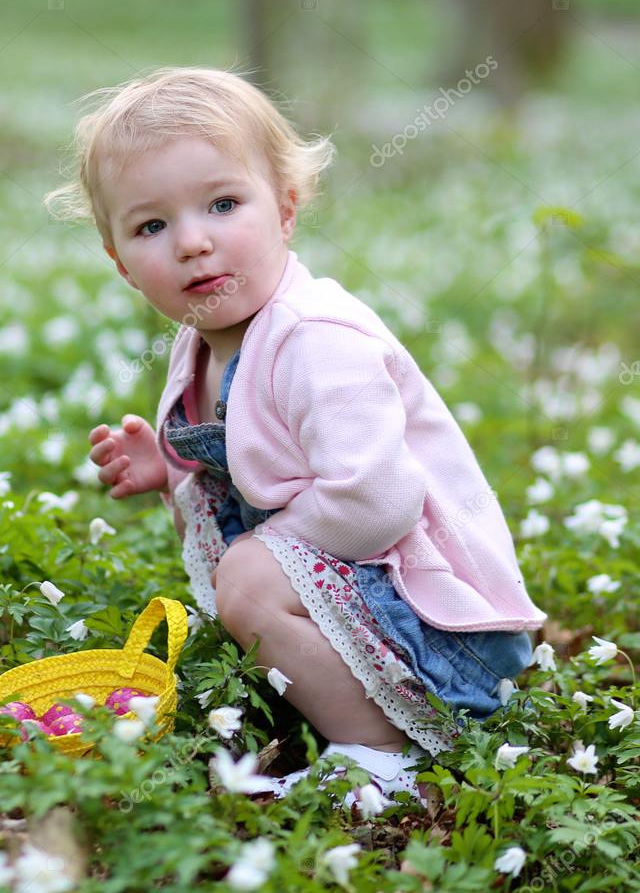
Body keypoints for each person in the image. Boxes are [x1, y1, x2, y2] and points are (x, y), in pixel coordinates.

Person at [44, 66, 546, 807]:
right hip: (372, 601)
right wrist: (173, 465)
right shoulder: (203, 340)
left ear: (285, 208)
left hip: (449, 635)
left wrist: (258, 561)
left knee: (245, 580)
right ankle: (331, 706)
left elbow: (377, 499)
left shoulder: (316, 339)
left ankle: (381, 758)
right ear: (121, 264)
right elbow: (249, 456)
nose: (192, 242)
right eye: (152, 225)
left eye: (222, 204)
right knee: (247, 581)